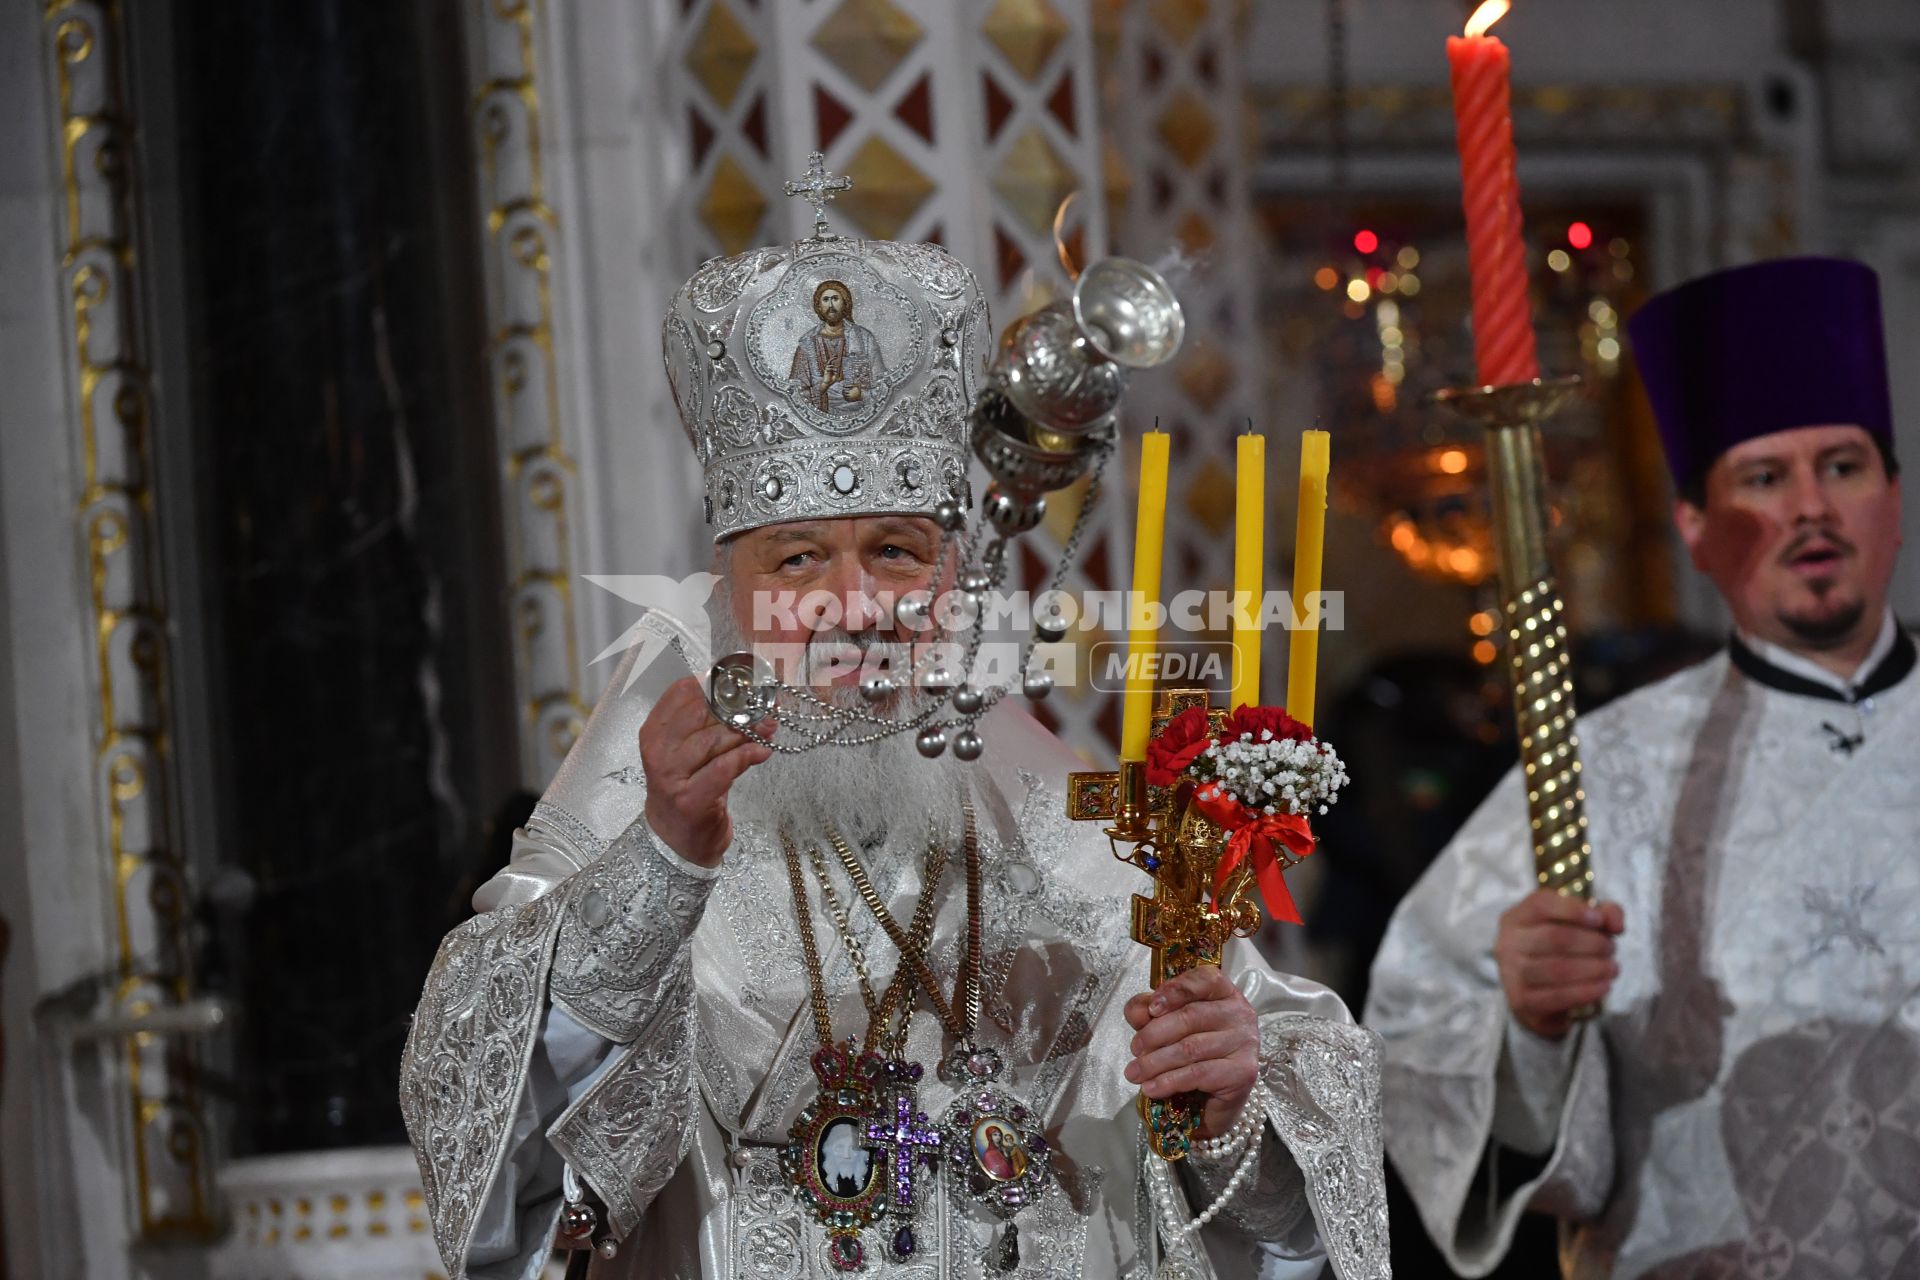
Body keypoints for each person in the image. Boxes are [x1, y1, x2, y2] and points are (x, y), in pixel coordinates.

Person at [400, 218, 1390, 1278]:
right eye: (797, 558)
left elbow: (1272, 1184)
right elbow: (479, 1113)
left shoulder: (1074, 832)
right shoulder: (643, 813)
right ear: (731, 598)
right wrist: (665, 859)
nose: (854, 606)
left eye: (895, 551)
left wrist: (1231, 1097)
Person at [1365, 255, 1916, 1278]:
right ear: (1694, 529)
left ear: (1892, 493)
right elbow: (1417, 1028)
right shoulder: (1598, 773)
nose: (1810, 507)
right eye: (1762, 475)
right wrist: (1530, 1027)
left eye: (1842, 465)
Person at [789, 278, 883, 414]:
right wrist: (824, 385)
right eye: (825, 300)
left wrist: (862, 394)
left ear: (845, 303)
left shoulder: (864, 338)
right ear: (818, 306)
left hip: (861, 415)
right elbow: (796, 392)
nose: (831, 305)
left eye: (835, 299)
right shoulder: (807, 343)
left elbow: (883, 385)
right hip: (820, 418)